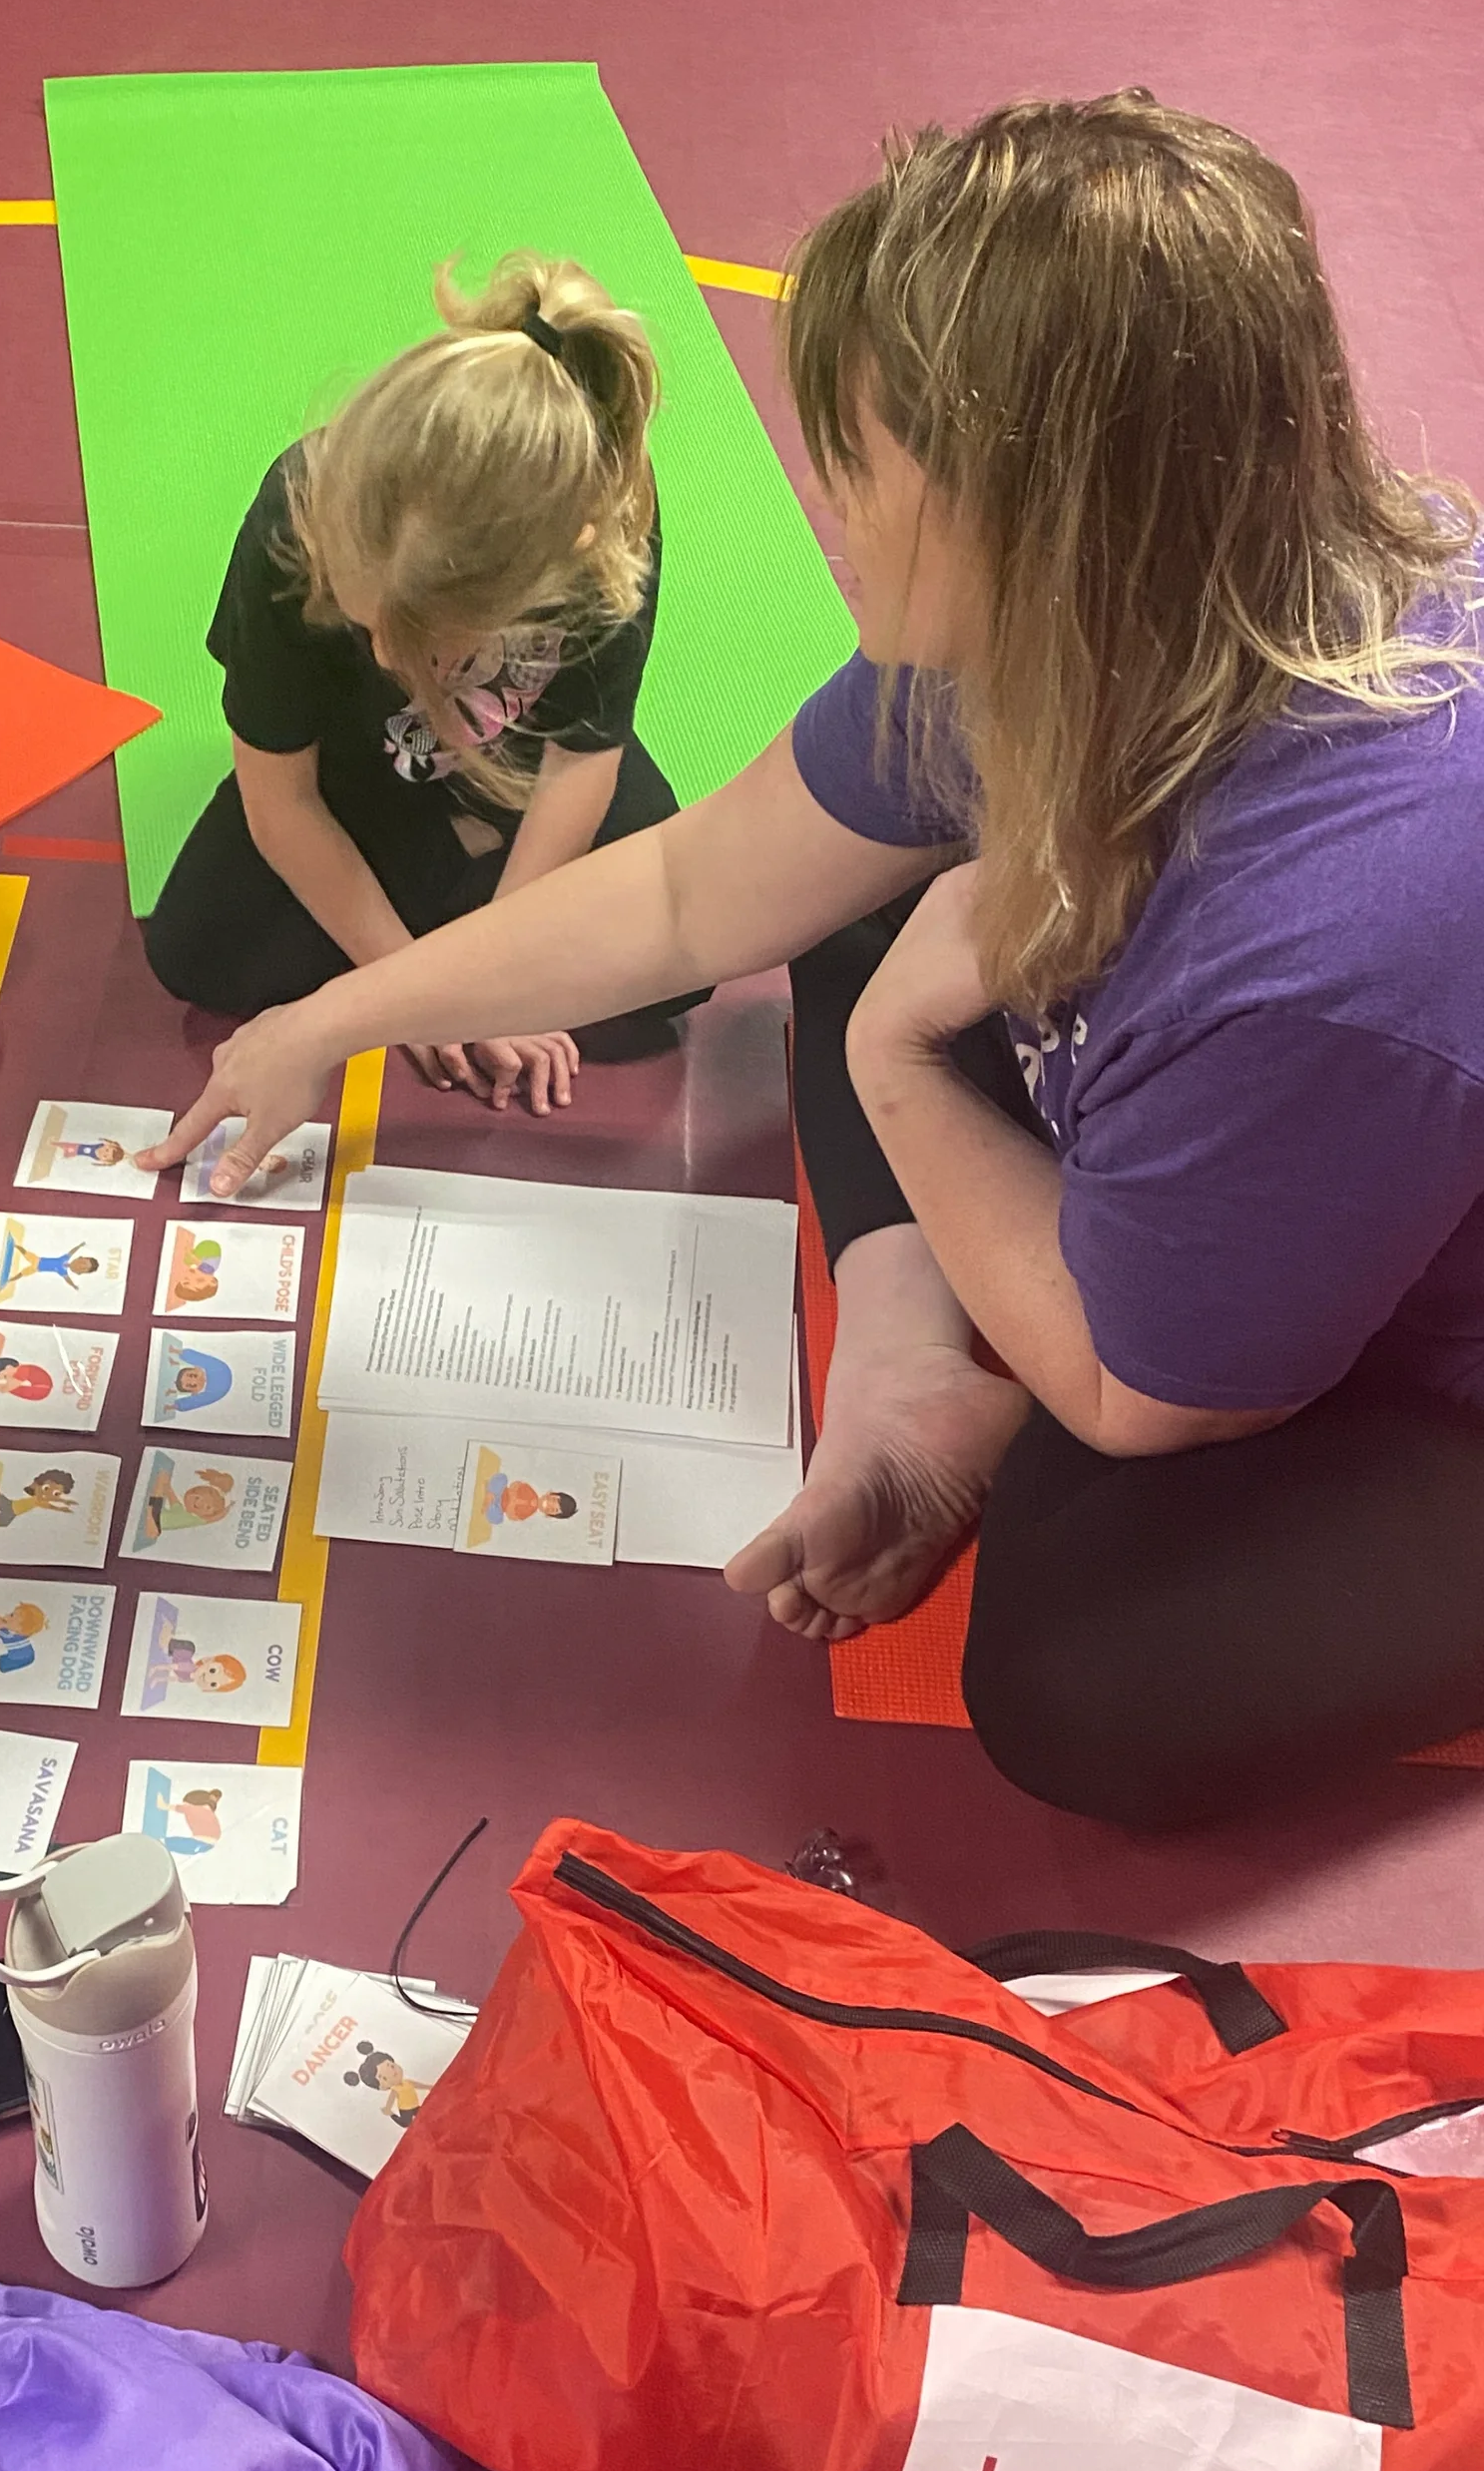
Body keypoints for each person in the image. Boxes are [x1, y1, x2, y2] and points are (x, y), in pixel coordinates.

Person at [153, 93, 1484, 1829]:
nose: (821, 499)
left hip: (1403, 1345)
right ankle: (915, 1358)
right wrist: (323, 1019)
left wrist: (898, 1059)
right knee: (865, 887)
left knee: (1080, 1688)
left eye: (855, 456)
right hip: (1246, 1133)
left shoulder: (1323, 936)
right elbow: (704, 890)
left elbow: (1134, 1390)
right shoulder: (1053, 629)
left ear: (1028, 505)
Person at [141, 253, 706, 1115]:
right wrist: (422, 990)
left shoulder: (607, 527)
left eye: (425, 643)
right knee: (196, 950)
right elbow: (280, 799)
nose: (387, 661)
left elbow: (578, 765)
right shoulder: (299, 510)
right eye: (364, 626)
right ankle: (448, 870)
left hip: (522, 778)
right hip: (356, 770)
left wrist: (488, 973)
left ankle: (458, 876)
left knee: (681, 962)